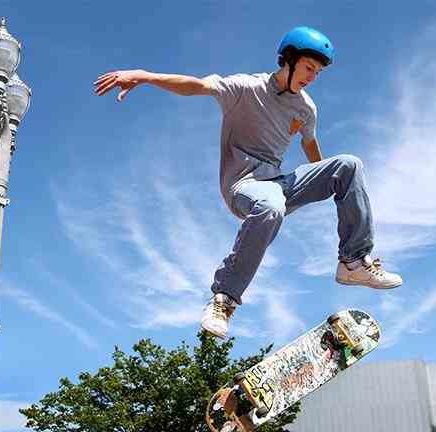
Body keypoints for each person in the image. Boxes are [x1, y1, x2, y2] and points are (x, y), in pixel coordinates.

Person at [94, 26, 402, 340]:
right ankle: (224, 299)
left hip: (279, 182)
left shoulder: (306, 108)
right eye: (309, 68)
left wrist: (325, 183)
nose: (312, 77)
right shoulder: (245, 87)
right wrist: (145, 76)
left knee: (348, 165)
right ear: (289, 59)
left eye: (318, 73)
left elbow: (310, 145)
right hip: (244, 184)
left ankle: (353, 262)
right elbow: (196, 86)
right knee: (271, 207)